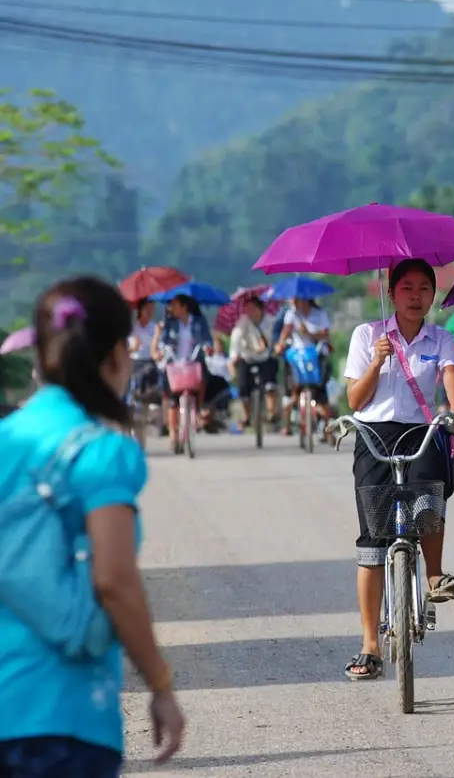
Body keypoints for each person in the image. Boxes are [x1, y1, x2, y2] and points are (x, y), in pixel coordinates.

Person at [0, 276, 185, 774]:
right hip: (62, 719)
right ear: (117, 355)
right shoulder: (101, 453)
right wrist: (160, 683)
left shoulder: (5, 439)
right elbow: (114, 581)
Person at [341, 258, 454, 680]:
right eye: (406, 288)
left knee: (428, 497)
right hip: (374, 434)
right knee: (372, 538)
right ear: (392, 293)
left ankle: (434, 576)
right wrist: (376, 362)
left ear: (433, 295)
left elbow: (450, 376)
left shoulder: (442, 338)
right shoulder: (367, 335)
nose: (415, 297)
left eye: (423, 289)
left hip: (421, 429)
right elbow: (355, 400)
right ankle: (369, 645)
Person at [152, 295, 213, 453]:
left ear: (184, 306)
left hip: (193, 362)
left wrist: (208, 347)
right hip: (175, 364)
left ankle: (198, 410)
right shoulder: (170, 323)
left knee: (203, 378)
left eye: (174, 305)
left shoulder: (199, 322)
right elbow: (163, 341)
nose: (171, 308)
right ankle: (173, 433)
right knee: (173, 399)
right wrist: (162, 349)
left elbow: (207, 339)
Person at [275, 298, 332, 438]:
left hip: (316, 354)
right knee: (292, 387)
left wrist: (308, 333)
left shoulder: (319, 314)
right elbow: (286, 331)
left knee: (321, 392)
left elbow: (325, 334)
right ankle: (288, 423)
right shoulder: (292, 314)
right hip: (297, 355)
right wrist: (280, 344)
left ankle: (327, 428)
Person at [229, 296, 280, 426]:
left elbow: (276, 339)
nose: (249, 312)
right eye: (247, 309)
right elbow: (236, 338)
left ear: (260, 309)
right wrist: (234, 357)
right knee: (242, 385)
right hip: (247, 357)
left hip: (265, 357)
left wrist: (273, 346)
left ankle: (271, 411)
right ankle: (246, 416)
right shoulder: (243, 322)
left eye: (252, 309)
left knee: (270, 382)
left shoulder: (271, 321)